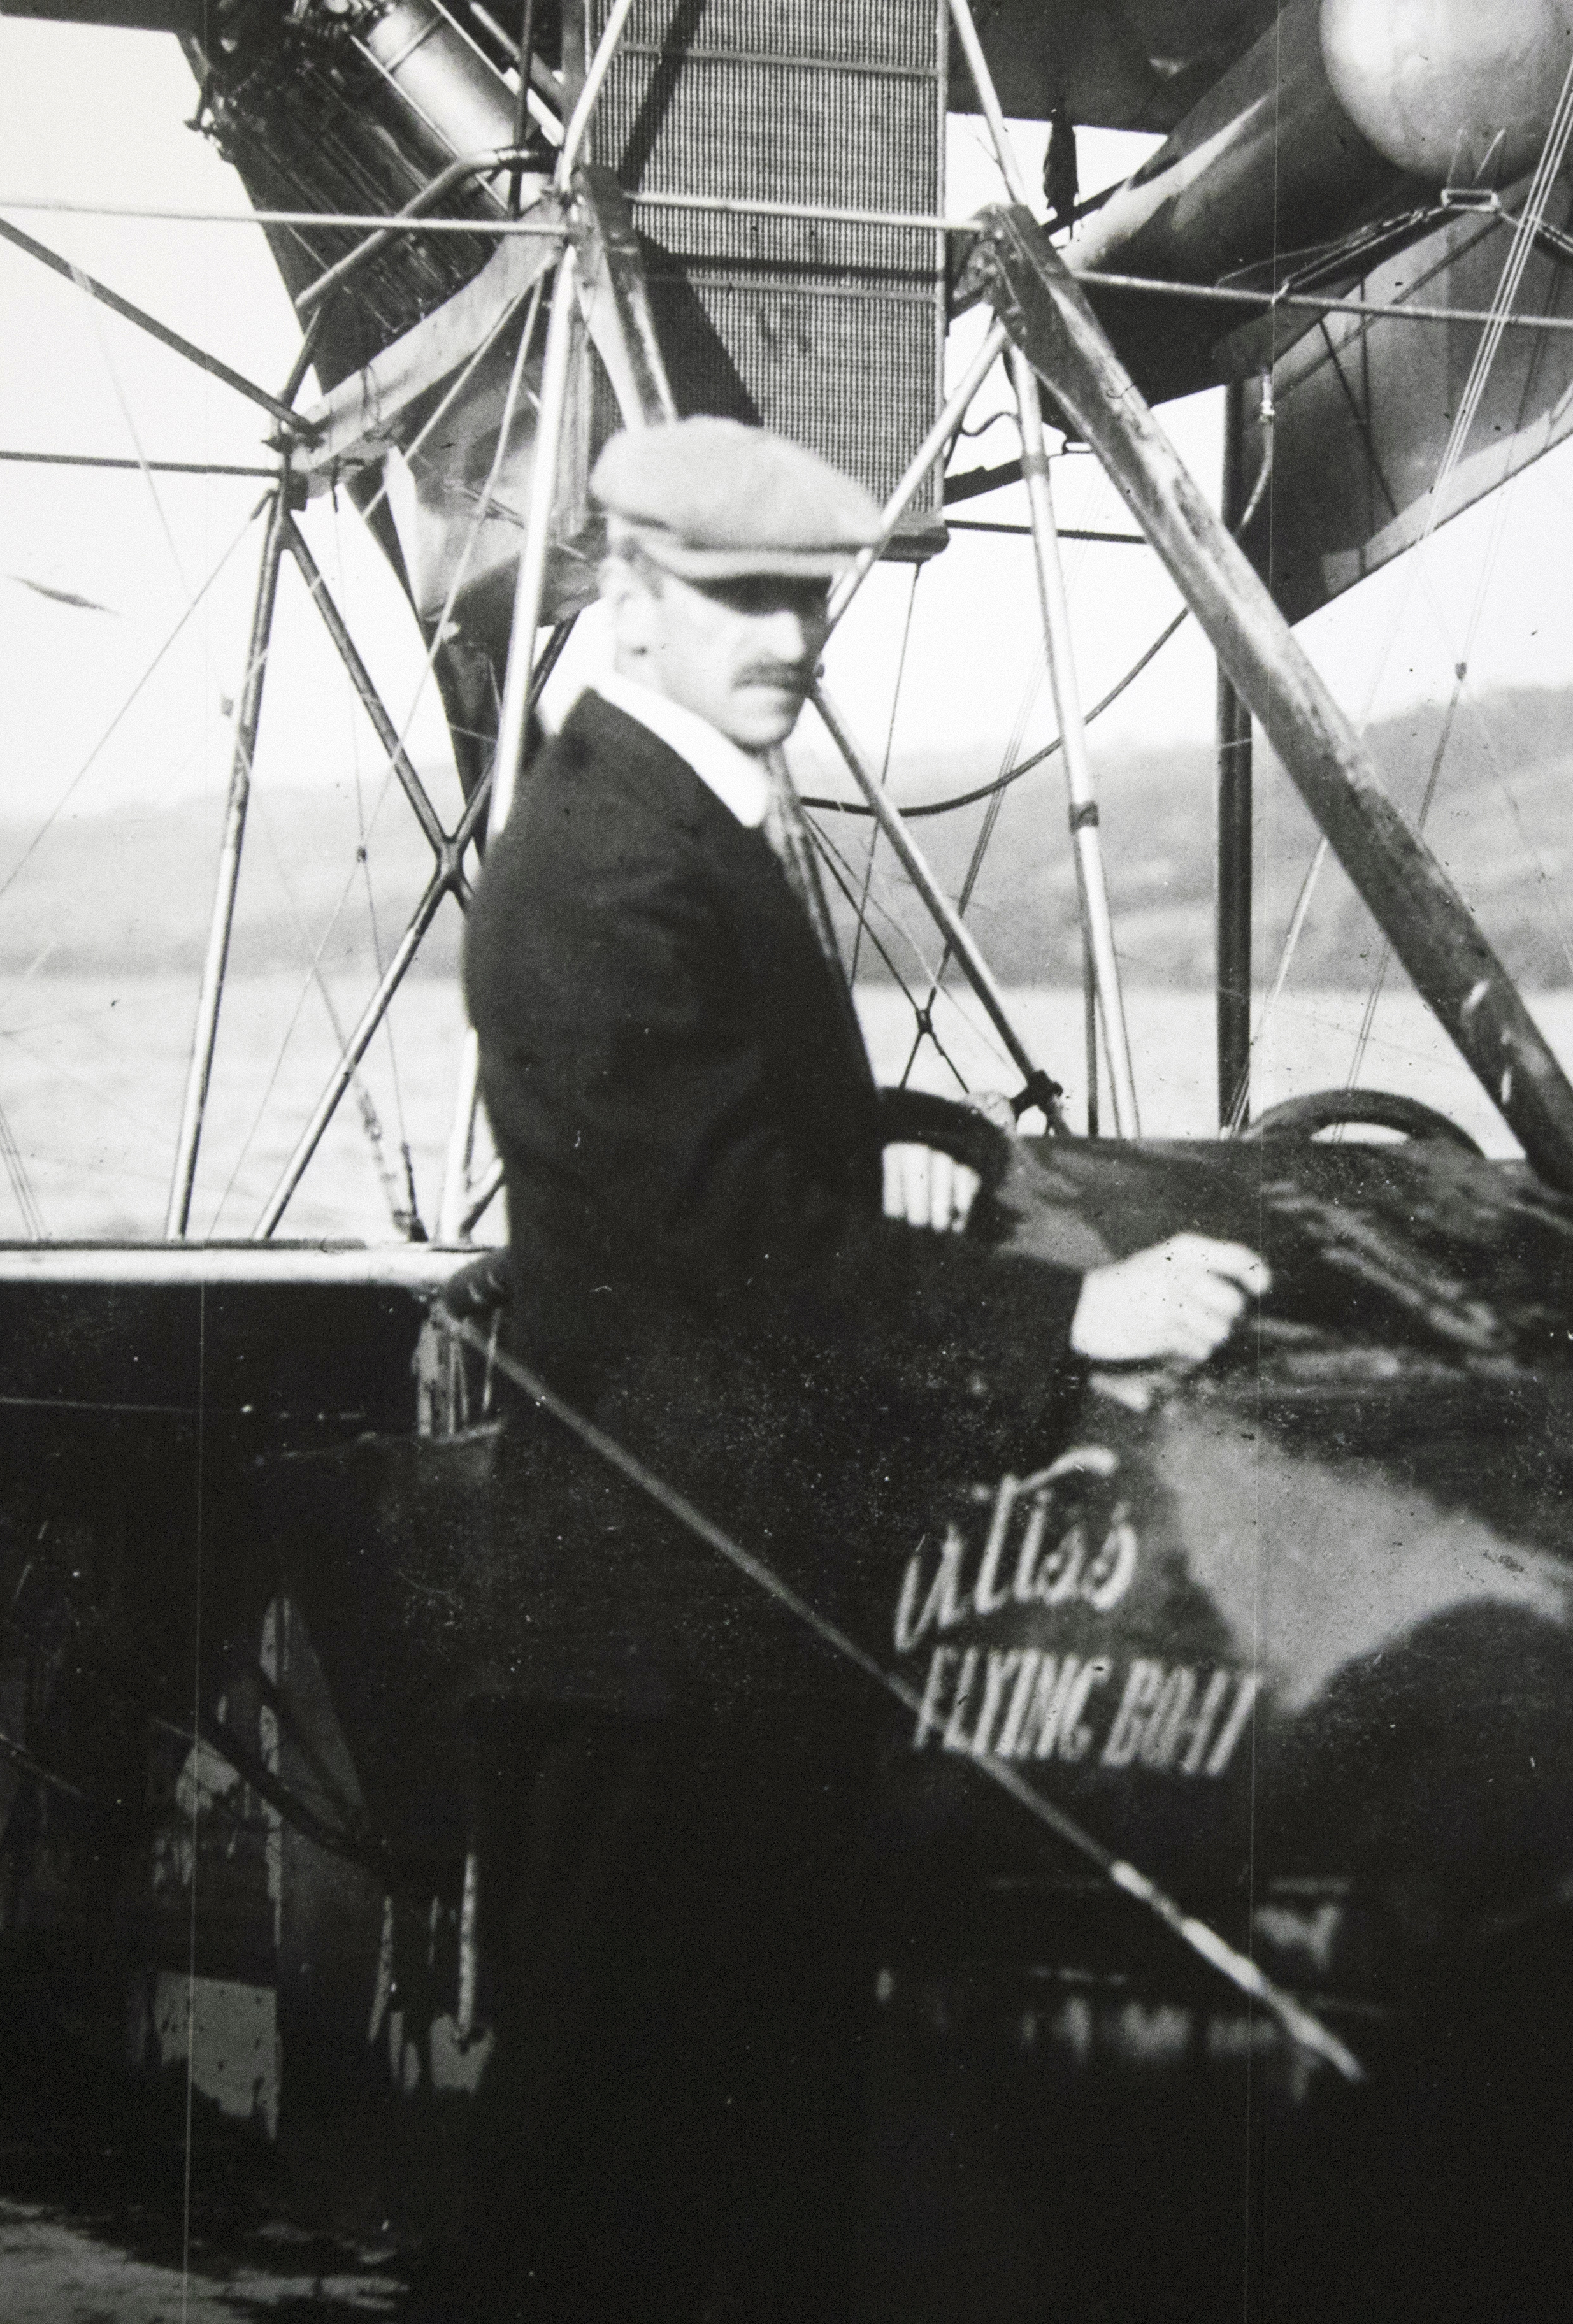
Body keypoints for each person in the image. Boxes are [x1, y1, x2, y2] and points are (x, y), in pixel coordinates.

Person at [448, 415, 1269, 2321]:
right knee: (614, 2194)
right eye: (741, 596)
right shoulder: (603, 863)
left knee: (714, 2181)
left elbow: (737, 1112)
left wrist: (933, 1136)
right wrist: (1073, 1315)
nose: (789, 635)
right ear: (628, 597)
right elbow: (734, 1237)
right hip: (653, 1647)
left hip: (706, 1625)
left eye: (809, 598)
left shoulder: (665, 821)